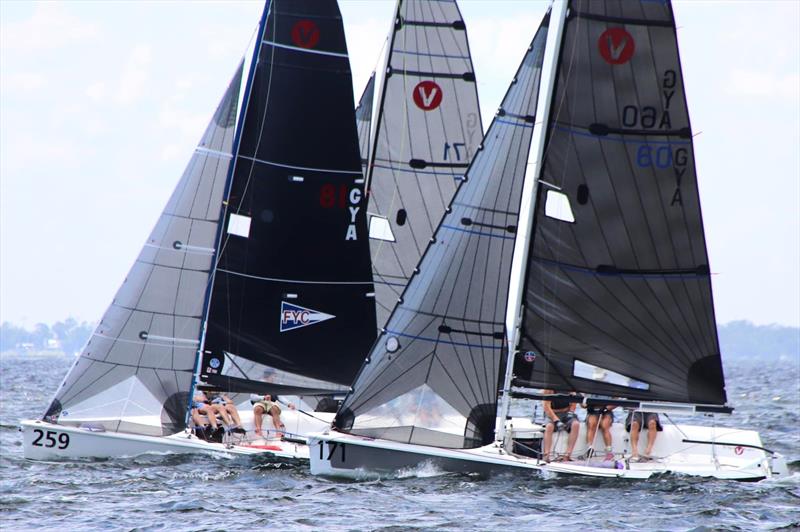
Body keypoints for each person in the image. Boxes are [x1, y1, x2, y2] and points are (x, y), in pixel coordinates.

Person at [541, 389, 580, 462]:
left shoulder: (569, 388)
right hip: (551, 413)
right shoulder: (548, 389)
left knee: (576, 424)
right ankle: (546, 455)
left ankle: (568, 454)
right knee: (549, 426)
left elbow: (573, 404)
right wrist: (556, 420)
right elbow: (546, 407)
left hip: (566, 413)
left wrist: (570, 412)